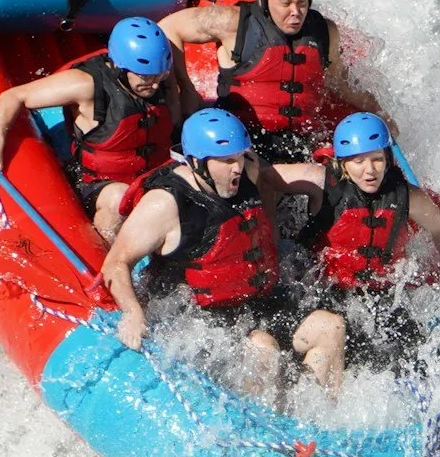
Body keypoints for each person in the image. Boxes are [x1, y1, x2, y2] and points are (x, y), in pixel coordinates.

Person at [102, 108, 344, 393]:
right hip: (203, 319)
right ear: (196, 162)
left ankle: (321, 423)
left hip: (259, 301)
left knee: (332, 327)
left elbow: (283, 182)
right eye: (227, 161)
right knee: (264, 348)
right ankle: (262, 428)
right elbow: (116, 263)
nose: (237, 168)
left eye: (241, 157)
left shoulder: (248, 172)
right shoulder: (164, 205)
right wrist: (133, 312)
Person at [0, 17, 193, 243]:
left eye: (160, 75)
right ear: (120, 66)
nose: (155, 85)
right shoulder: (85, 85)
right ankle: (105, 255)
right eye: (147, 78)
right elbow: (14, 96)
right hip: (99, 183)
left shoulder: (158, 75)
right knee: (120, 197)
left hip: (151, 176)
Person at [282, 112, 440, 372]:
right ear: (342, 163)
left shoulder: (409, 196)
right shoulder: (320, 182)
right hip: (328, 292)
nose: (370, 170)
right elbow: (265, 177)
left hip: (380, 296)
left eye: (377, 160)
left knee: (425, 361)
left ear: (388, 160)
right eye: (359, 161)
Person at [161, 0, 373, 163]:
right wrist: (183, 88)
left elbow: (341, 86)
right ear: (263, 0)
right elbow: (169, 28)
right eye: (285, 3)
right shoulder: (233, 22)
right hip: (241, 147)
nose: (296, 12)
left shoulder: (325, 31)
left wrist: (381, 114)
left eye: (302, 2)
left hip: (300, 145)